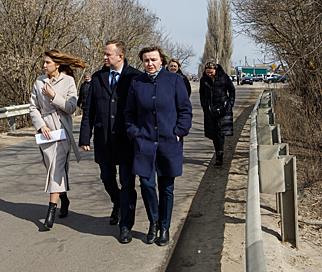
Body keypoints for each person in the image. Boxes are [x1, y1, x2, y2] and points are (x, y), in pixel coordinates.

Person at [124, 46, 192, 246]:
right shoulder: (137, 83)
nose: (150, 64)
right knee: (146, 184)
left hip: (169, 142)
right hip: (144, 141)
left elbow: (185, 110)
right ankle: (153, 222)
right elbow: (129, 112)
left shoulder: (175, 81)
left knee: (167, 187)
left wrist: (179, 131)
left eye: (153, 59)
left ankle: (165, 226)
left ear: (161, 61)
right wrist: (134, 132)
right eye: (146, 60)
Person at [79, 40, 141, 244]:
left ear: (120, 56)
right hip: (104, 139)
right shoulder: (97, 78)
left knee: (127, 183)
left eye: (108, 54)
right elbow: (89, 110)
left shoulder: (134, 77)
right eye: (104, 54)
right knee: (106, 178)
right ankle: (118, 203)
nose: (104, 58)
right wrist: (85, 136)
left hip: (126, 140)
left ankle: (125, 225)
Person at [29, 49, 86, 230]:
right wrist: (41, 125)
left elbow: (71, 108)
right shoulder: (39, 81)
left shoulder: (68, 81)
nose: (44, 65)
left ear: (57, 64)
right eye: (44, 62)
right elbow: (33, 107)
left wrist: (54, 96)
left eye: (47, 62)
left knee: (56, 169)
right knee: (51, 168)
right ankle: (64, 198)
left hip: (62, 130)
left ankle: (50, 212)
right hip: (45, 132)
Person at [199, 61, 235, 166]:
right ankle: (218, 152)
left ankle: (220, 155)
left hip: (223, 109)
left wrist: (230, 103)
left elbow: (231, 89)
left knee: (220, 132)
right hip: (210, 110)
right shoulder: (203, 80)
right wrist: (204, 106)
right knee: (213, 133)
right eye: (207, 72)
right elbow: (202, 94)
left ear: (215, 70)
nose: (209, 74)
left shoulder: (224, 78)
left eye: (211, 72)